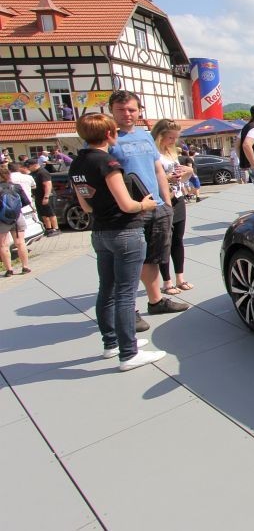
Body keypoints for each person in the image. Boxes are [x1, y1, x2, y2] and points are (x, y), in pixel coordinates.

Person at [68, 113, 165, 371]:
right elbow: (127, 204)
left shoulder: (77, 164)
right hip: (125, 232)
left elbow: (86, 206)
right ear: (110, 134)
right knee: (125, 293)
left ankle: (111, 343)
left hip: (100, 232)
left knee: (107, 290)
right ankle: (129, 353)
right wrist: (145, 204)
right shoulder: (108, 163)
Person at [107, 91, 187, 328]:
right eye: (121, 110)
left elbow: (157, 169)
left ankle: (156, 301)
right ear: (111, 111)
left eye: (131, 109)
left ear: (139, 110)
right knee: (129, 261)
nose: (127, 114)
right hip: (128, 210)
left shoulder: (144, 136)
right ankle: (128, 310)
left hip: (156, 206)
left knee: (153, 257)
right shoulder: (107, 138)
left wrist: (166, 202)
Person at [151, 119, 194, 296]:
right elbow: (152, 178)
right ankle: (166, 281)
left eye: (175, 138)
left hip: (177, 197)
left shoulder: (171, 151)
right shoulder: (153, 153)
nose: (173, 141)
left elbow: (181, 176)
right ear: (160, 136)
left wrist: (187, 172)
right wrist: (167, 178)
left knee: (178, 240)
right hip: (162, 200)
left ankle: (180, 278)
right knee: (164, 242)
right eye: (170, 137)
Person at [1, 165, 32, 276]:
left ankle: (9, 270)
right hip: (17, 217)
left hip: (2, 219)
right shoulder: (16, 186)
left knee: (3, 245)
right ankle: (25, 267)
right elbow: (26, 201)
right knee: (20, 243)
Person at [26, 158, 59, 236]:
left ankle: (56, 229)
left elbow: (48, 184)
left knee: (50, 213)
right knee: (43, 214)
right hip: (38, 196)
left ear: (34, 165)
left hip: (46, 196)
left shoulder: (43, 172)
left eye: (29, 166)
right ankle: (48, 229)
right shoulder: (33, 173)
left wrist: (46, 197)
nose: (28, 168)